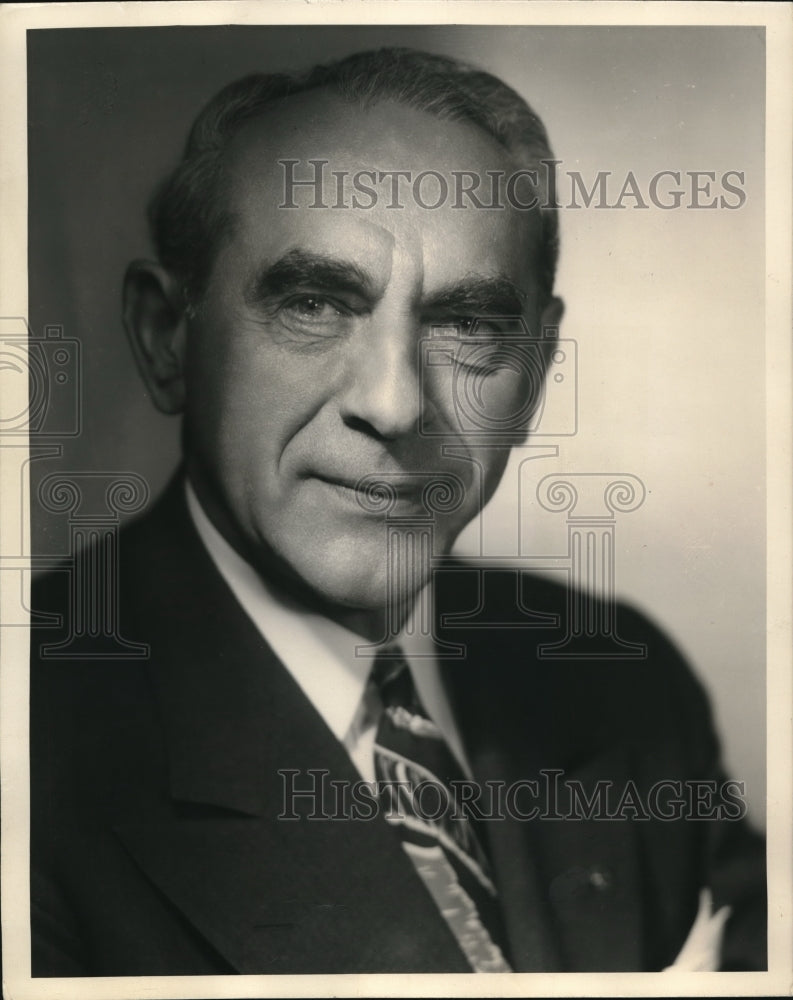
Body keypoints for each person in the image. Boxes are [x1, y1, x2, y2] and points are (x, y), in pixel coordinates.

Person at [29, 47, 766, 976]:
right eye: (311, 303)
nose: (394, 404)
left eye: (468, 325)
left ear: (536, 373)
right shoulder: (34, 744)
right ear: (167, 337)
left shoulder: (620, 684)